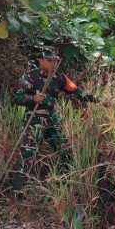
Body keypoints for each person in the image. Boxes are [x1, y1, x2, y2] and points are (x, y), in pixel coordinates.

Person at [11, 46, 94, 196]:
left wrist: (97, 100)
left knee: (65, 151)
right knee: (27, 157)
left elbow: (77, 92)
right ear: (41, 60)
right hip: (33, 118)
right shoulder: (30, 77)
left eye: (55, 60)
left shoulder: (60, 78)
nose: (53, 64)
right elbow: (17, 98)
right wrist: (32, 98)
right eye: (49, 60)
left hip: (51, 119)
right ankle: (19, 195)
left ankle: (63, 188)